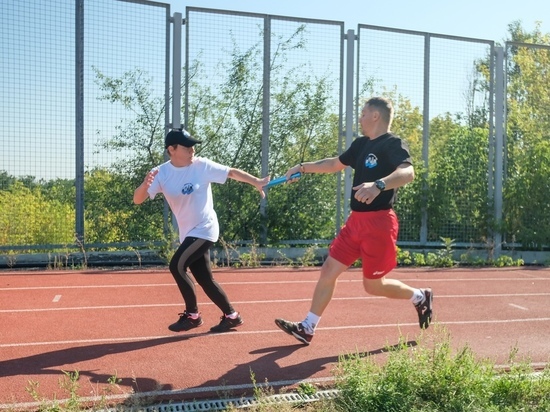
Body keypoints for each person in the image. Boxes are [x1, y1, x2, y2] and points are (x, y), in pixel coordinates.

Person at [275, 97, 433, 345]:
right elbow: (334, 164)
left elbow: (408, 173)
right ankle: (307, 327)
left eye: (363, 113)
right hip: (355, 222)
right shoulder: (360, 145)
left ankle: (419, 296)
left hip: (379, 224)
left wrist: (378, 185)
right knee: (328, 270)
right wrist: (302, 167)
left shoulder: (393, 144)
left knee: (373, 286)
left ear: (375, 116)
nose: (359, 118)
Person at [134, 128, 269, 333]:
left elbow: (231, 172)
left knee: (176, 266)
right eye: (187, 147)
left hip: (205, 228)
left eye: (193, 146)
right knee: (205, 279)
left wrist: (256, 182)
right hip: (188, 233)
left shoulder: (202, 166)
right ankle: (231, 316)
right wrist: (145, 185)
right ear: (172, 149)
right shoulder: (161, 173)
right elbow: (137, 199)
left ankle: (192, 315)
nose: (192, 150)